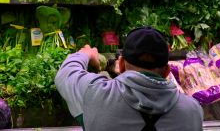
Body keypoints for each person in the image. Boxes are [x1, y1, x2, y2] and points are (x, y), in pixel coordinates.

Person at [55, 26, 203, 131]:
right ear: (167, 71)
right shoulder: (192, 110)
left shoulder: (95, 93)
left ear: (121, 65)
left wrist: (86, 53)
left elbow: (66, 73)